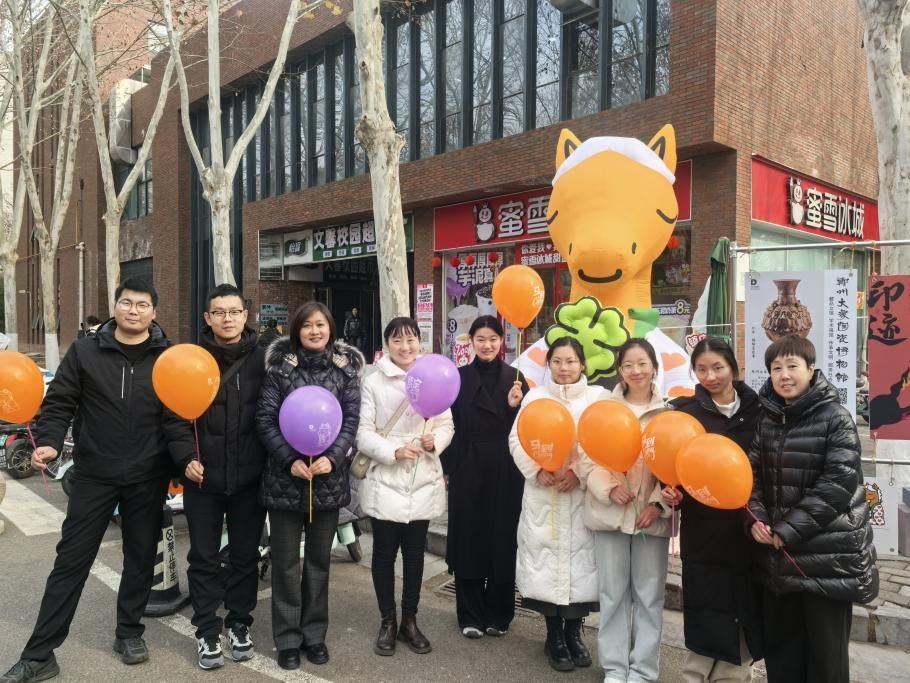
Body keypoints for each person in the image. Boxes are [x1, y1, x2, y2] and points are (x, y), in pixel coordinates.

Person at [1, 278, 196, 683]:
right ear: (115, 306)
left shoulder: (168, 357)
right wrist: (49, 441)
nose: (133, 311)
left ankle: (129, 633)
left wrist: (187, 460)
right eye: (127, 303)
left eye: (142, 305)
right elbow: (60, 402)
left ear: (154, 312)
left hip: (147, 477)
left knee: (140, 559)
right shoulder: (85, 351)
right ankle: (39, 655)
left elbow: (177, 418)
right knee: (70, 561)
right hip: (94, 476)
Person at [746, 334, 877, 683]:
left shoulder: (836, 418)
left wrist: (786, 530)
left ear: (811, 369)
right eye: (776, 368)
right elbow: (750, 477)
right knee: (783, 657)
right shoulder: (766, 419)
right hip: (778, 560)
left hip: (827, 562)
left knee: (825, 661)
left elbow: (838, 484)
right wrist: (756, 520)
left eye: (792, 366)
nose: (784, 375)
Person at [256, 301, 363, 671]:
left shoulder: (345, 373)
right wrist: (290, 460)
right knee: (285, 565)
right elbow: (265, 419)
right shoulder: (279, 372)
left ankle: (314, 635)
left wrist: (332, 457)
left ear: (331, 329)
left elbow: (351, 421)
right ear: (296, 331)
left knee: (319, 563)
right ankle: (287, 639)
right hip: (284, 481)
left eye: (321, 325)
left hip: (327, 481)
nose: (315, 331)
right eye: (307, 326)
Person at [661, 337, 763, 682]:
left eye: (718, 367)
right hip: (703, 530)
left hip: (748, 527)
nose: (711, 376)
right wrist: (673, 493)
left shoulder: (758, 410)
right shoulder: (686, 413)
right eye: (702, 369)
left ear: (733, 366)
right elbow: (673, 467)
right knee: (705, 605)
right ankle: (694, 675)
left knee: (744, 606)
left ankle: (735, 676)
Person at [356, 317, 455, 657]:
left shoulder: (433, 375)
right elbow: (362, 432)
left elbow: (447, 424)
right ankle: (388, 620)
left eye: (411, 339)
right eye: (397, 340)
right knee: (384, 554)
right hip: (387, 478)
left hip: (422, 478)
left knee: (415, 556)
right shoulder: (373, 381)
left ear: (419, 342)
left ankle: (410, 620)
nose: (405, 346)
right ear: (387, 345)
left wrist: (434, 441)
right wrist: (393, 451)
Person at [183, 284, 267, 670]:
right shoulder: (191, 359)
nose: (227, 319)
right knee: (203, 558)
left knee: (245, 556)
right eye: (219, 312)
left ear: (245, 315)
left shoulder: (264, 359)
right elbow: (173, 417)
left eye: (234, 312)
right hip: (202, 480)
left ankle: (239, 623)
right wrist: (185, 457)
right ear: (207, 318)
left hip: (250, 479)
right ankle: (206, 629)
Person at [579, 338, 673, 683]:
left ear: (654, 368)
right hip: (610, 514)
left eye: (642, 363)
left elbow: (676, 465)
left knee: (649, 596)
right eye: (629, 364)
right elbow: (585, 457)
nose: (636, 371)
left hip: (650, 518)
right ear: (619, 370)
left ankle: (644, 669)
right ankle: (616, 667)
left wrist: (658, 504)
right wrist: (609, 488)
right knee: (613, 593)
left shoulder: (668, 413)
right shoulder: (603, 408)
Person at [509, 337, 600, 672]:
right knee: (545, 564)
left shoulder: (597, 398)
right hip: (544, 494)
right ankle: (554, 636)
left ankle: (574, 633)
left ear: (583, 364)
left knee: (581, 566)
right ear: (549, 365)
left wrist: (579, 473)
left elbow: (602, 441)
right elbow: (516, 438)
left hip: (580, 495)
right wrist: (536, 470)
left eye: (571, 361)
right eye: (557, 361)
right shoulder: (535, 397)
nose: (564, 368)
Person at [441, 315, 528, 639]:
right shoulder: (458, 378)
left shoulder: (517, 379)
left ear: (501, 341)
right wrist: (448, 467)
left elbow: (526, 429)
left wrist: (515, 407)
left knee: (503, 538)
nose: (487, 345)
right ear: (472, 341)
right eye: (481, 339)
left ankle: (499, 614)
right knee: (469, 538)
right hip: (467, 466)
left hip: (507, 470)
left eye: (493, 339)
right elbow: (448, 424)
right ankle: (470, 614)